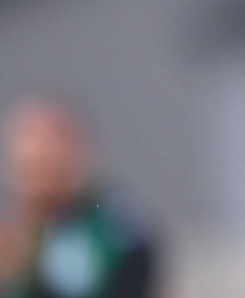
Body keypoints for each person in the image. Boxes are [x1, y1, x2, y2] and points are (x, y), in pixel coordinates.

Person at [0, 94, 156, 298]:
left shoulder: (112, 225)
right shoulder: (13, 233)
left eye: (59, 137)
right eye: (31, 139)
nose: (46, 151)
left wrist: (32, 268)